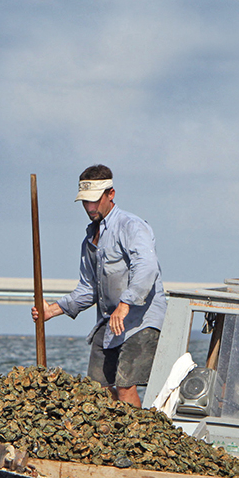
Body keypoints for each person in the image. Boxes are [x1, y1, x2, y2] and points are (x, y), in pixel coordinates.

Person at [32, 164, 167, 408]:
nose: (90, 208)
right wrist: (53, 310)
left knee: (125, 386)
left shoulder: (131, 226)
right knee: (97, 391)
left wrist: (125, 303)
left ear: (110, 194)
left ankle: (136, 439)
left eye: (95, 200)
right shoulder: (90, 240)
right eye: (85, 202)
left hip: (141, 319)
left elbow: (147, 267)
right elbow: (88, 289)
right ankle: (116, 436)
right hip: (111, 321)